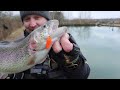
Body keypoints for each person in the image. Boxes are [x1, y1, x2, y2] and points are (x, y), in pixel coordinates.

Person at [6, 11, 90, 79]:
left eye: (37, 18)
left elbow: (82, 75)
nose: (32, 24)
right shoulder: (14, 46)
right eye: (27, 19)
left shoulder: (65, 42)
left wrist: (71, 59)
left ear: (47, 19)